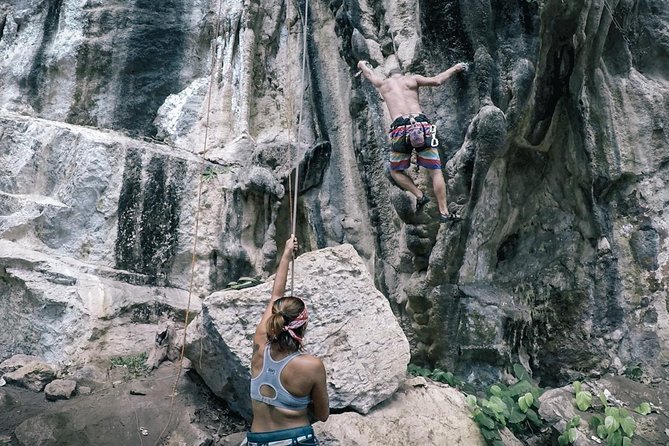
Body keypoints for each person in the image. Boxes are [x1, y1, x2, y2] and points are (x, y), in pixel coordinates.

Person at [357, 60, 468, 222]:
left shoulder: (383, 84)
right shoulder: (412, 79)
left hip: (400, 129)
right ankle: (444, 212)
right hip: (421, 126)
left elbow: (369, 74)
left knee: (395, 172)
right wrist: (455, 68)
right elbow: (437, 81)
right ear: (402, 73)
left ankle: (419, 195)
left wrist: (362, 65)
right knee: (435, 171)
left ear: (389, 76)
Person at [246, 235, 329, 446]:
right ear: (303, 325)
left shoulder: (259, 345)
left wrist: (285, 255)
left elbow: (275, 296)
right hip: (295, 440)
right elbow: (322, 414)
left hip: (257, 441)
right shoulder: (311, 366)